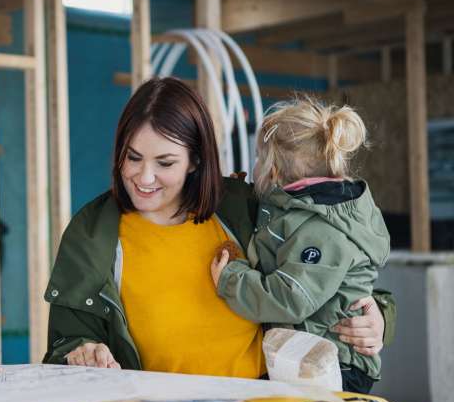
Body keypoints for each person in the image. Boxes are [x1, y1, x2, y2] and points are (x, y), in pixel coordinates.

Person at [43, 77, 394, 378]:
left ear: (195, 160)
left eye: (165, 162)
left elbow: (330, 272)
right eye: (133, 157)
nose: (144, 177)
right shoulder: (93, 233)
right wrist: (81, 350)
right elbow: (66, 340)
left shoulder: (247, 207)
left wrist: (378, 318)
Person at [210, 97, 390, 393]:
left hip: (334, 364)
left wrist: (231, 280)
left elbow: (292, 297)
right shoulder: (300, 211)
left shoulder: (323, 229)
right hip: (308, 355)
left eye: (258, 158)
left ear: (273, 171)